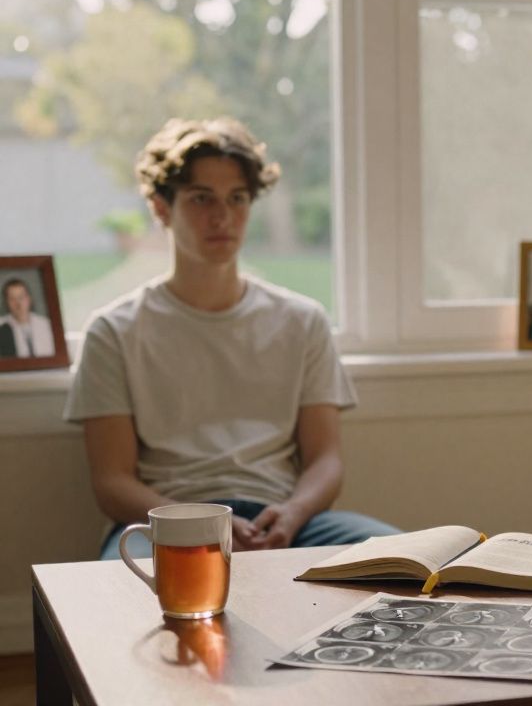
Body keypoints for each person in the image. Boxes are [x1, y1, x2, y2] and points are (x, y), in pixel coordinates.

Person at [65, 117, 401, 561]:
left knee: (410, 565)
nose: (222, 216)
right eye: (202, 198)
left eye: (237, 198)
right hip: (166, 523)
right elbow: (112, 483)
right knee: (120, 588)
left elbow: (326, 460)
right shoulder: (114, 331)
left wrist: (294, 513)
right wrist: (199, 525)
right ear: (161, 209)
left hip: (284, 520)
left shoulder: (302, 321)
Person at [2, 278, 57, 357]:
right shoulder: (2, 327)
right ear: (6, 302)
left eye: (21, 297)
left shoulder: (47, 325)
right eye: (12, 299)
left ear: (29, 298)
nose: (18, 303)